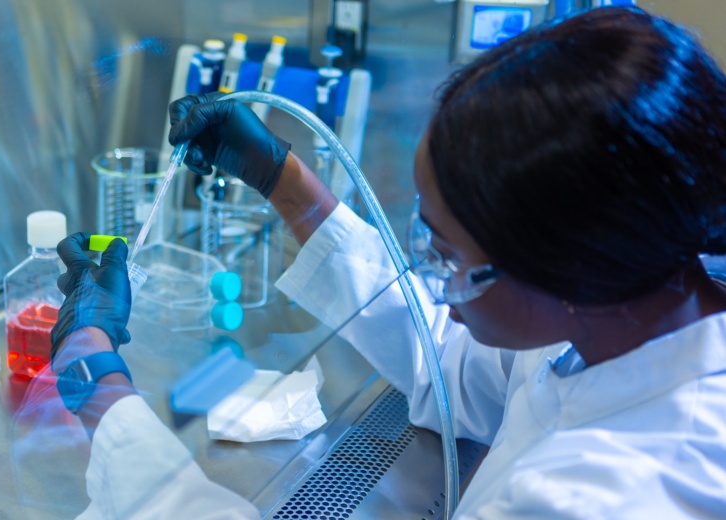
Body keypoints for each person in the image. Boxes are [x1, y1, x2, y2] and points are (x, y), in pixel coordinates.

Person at [48, 6, 726, 518]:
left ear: (574, 269)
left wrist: (94, 368)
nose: (430, 273)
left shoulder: (614, 494)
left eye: (449, 256)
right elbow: (450, 366)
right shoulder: (625, 307)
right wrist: (281, 177)